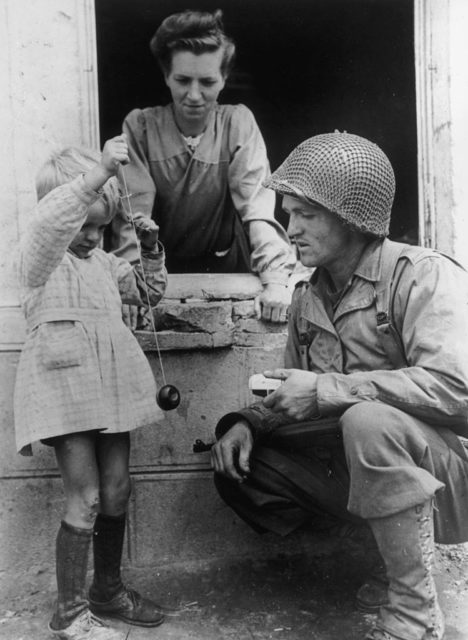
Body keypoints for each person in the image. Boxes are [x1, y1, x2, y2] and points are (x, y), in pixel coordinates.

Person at [211, 132, 468, 640]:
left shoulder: (421, 276)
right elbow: (294, 396)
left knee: (366, 420)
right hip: (364, 463)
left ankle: (415, 615)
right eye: (288, 213)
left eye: (305, 213)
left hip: (451, 480)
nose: (290, 228)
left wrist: (331, 390)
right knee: (243, 462)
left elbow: (459, 391)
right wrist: (248, 422)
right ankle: (385, 555)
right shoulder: (308, 298)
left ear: (350, 215)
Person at [14, 136, 169, 639]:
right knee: (83, 496)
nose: (91, 238)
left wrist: (149, 248)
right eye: (84, 226)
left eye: (102, 229)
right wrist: (98, 173)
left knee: (117, 489)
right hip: (65, 385)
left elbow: (148, 294)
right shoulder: (41, 261)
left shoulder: (105, 265)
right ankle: (70, 613)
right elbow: (53, 224)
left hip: (111, 386)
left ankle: (108, 589)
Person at [109, 9, 296, 324]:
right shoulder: (140, 127)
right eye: (182, 80)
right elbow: (132, 217)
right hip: (160, 274)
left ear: (223, 79)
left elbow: (257, 208)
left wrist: (276, 278)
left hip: (226, 268)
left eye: (207, 81)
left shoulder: (237, 123)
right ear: (166, 76)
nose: (194, 95)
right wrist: (129, 284)